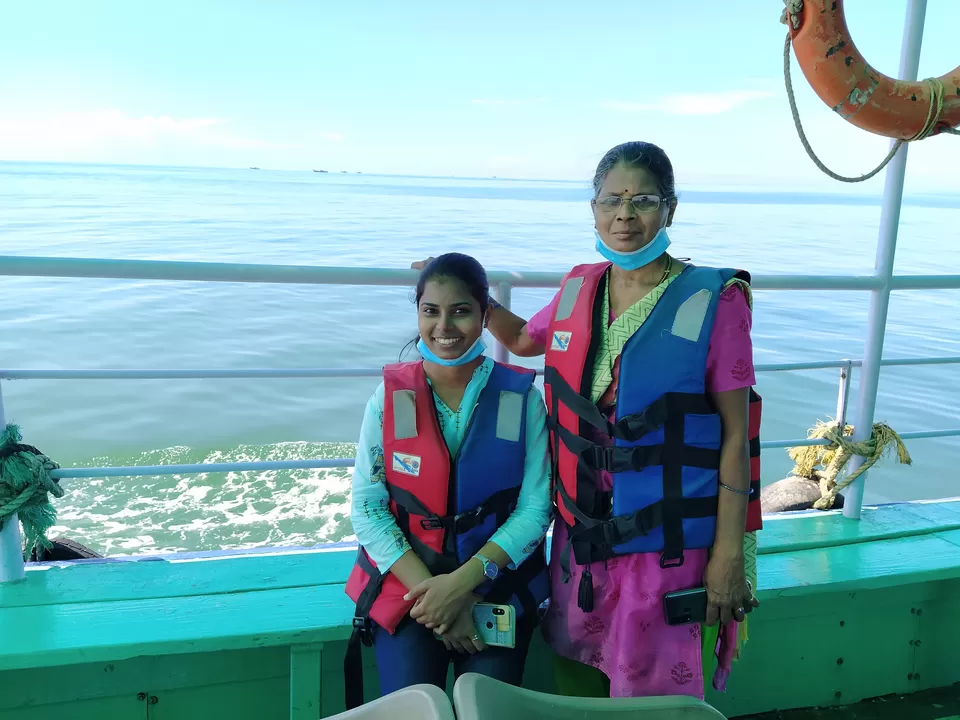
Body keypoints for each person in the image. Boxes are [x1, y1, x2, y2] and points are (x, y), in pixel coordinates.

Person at [411, 141, 763, 700]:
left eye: (642, 199)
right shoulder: (581, 285)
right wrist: (468, 294)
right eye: (611, 200)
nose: (625, 215)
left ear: (670, 208)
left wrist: (728, 556)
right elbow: (527, 340)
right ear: (593, 209)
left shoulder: (717, 301)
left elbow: (735, 436)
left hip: (664, 548)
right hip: (583, 543)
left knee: (652, 699)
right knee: (576, 684)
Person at [343, 253, 553, 709]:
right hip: (409, 585)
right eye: (430, 311)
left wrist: (461, 587)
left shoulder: (522, 400)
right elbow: (367, 506)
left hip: (492, 584)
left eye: (460, 311)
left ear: (484, 315)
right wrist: (433, 598)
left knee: (490, 708)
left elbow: (536, 510)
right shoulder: (389, 398)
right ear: (418, 312)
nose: (444, 327)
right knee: (412, 708)